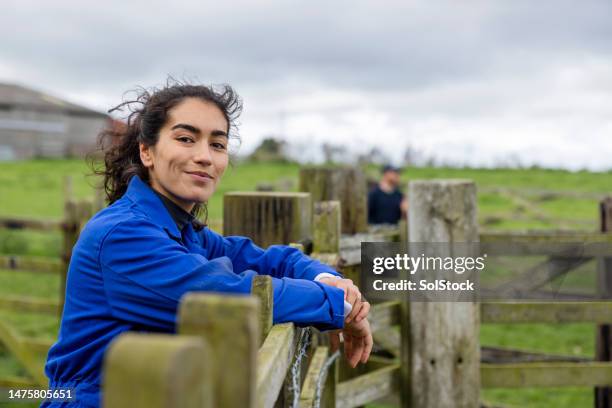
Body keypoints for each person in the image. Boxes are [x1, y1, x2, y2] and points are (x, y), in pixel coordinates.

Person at [42, 82, 372, 408]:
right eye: (186, 139)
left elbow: (268, 260)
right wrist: (337, 304)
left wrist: (329, 281)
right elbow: (230, 294)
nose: (204, 156)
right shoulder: (124, 235)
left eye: (217, 144)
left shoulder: (183, 230)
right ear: (147, 151)